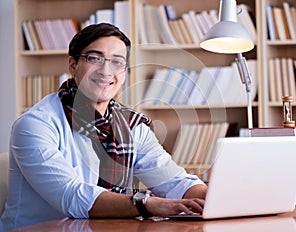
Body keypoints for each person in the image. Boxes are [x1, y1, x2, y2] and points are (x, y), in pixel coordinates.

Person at [0, 23, 207, 231]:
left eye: (117, 62)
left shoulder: (132, 126)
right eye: (94, 58)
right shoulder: (35, 124)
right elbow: (72, 197)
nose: (106, 71)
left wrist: (211, 197)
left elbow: (175, 182)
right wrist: (146, 204)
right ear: (73, 65)